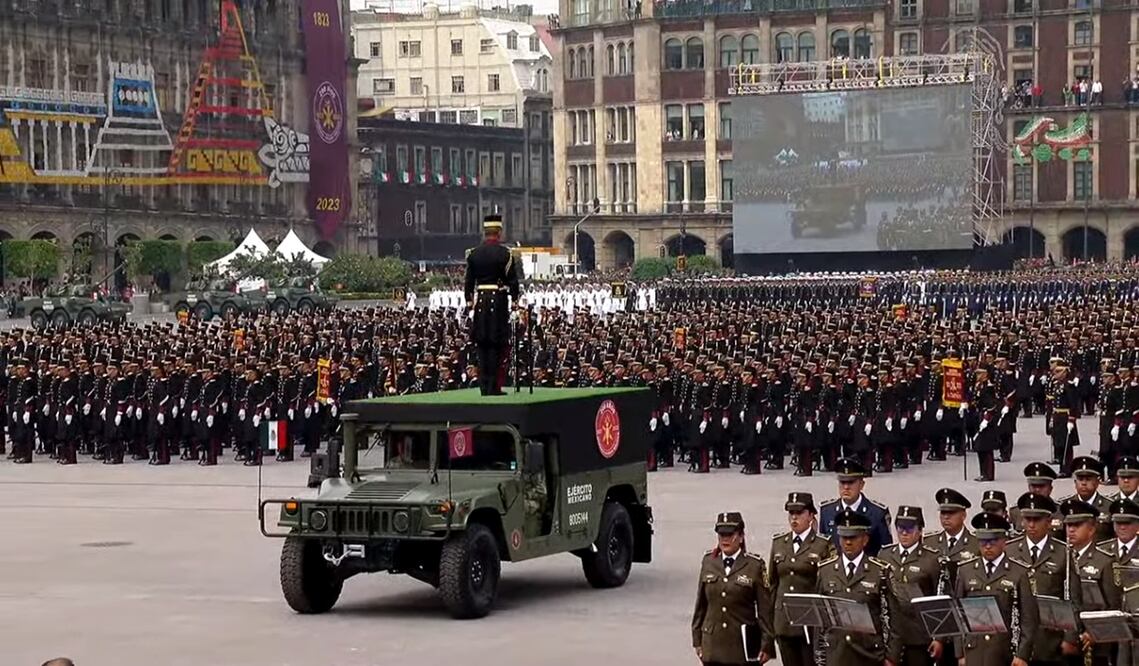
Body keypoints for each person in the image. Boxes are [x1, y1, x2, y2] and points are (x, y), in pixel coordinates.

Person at [952, 512, 1039, 666]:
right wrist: (960, 652)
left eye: (992, 541)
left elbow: (1029, 618)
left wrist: (1022, 654)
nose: (987, 546)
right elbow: (958, 613)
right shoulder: (966, 570)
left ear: (1004, 541)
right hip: (974, 650)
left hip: (1005, 651)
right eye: (983, 541)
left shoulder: (1019, 572)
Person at [1005, 493, 1083, 663]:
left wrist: (1070, 637)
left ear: (1048, 521)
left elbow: (1074, 599)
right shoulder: (1009, 551)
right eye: (1028, 519)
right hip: (1017, 638)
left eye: (1037, 519)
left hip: (1051, 639)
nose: (1031, 525)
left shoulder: (1064, 553)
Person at [691, 511, 775, 666]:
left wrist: (767, 644)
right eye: (721, 534)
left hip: (741, 647)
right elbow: (701, 604)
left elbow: (765, 610)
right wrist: (697, 639)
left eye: (730, 534)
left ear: (741, 537)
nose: (725, 539)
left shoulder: (754, 565)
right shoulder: (709, 561)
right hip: (712, 646)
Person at [816, 509, 893, 666]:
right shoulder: (826, 570)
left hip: (869, 654)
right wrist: (819, 656)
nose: (848, 542)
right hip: (837, 654)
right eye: (844, 537)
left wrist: (891, 655)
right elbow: (820, 618)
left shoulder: (879, 571)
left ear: (865, 540)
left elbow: (892, 616)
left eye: (853, 537)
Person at [768, 493, 833, 666]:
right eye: (791, 513)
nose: (794, 518)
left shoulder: (822, 544)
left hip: (810, 623)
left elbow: (828, 587)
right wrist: (770, 622)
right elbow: (773, 583)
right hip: (784, 621)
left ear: (811, 515)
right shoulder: (779, 543)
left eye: (799, 513)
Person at [463, 214, 521, 396]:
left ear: (485, 232)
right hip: (498, 300)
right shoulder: (505, 254)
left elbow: (468, 281)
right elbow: (513, 281)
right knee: (496, 344)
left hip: (481, 301)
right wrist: (515, 300)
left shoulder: (474, 253)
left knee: (482, 344)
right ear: (499, 232)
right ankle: (494, 386)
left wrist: (469, 300)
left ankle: (483, 386)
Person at [878, 505, 943, 666]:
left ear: (920, 530)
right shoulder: (884, 555)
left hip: (918, 636)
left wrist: (938, 638)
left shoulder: (932, 560)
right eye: (900, 528)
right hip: (890, 636)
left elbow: (939, 600)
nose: (904, 532)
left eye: (909, 528)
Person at [1059, 498, 1120, 664]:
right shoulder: (1060, 558)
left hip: (1093, 643)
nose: (1071, 530)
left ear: (1092, 529)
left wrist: (1094, 632)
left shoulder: (1105, 561)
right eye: (1068, 525)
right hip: (1062, 639)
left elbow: (1113, 606)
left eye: (1077, 526)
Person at [818, 457, 892, 556]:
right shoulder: (827, 511)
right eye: (842, 482)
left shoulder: (877, 513)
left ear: (861, 485)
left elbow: (886, 552)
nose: (846, 487)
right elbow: (823, 548)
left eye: (851, 482)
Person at [1060, 456, 1116, 542]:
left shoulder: (1110, 506)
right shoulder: (1064, 506)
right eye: (1080, 479)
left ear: (1097, 482)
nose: (1083, 483)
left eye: (1088, 479)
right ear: (1075, 482)